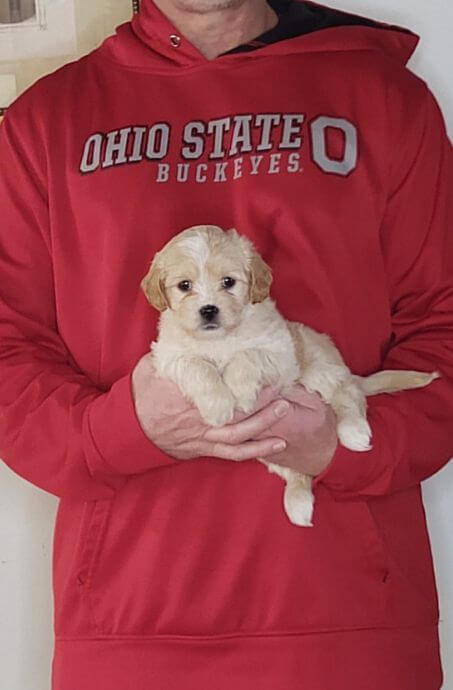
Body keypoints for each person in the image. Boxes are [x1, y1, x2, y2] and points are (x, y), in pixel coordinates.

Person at [0, 0, 452, 688]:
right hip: (130, 625)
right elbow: (8, 348)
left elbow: (442, 326)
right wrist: (117, 431)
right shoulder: (47, 121)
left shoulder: (383, 98)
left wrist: (344, 445)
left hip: (346, 617)